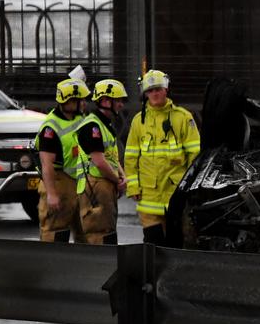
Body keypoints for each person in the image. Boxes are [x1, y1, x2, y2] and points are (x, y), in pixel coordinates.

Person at [124, 69, 201, 244]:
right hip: (148, 196)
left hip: (175, 195)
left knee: (175, 243)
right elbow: (130, 157)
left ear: (166, 89)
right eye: (150, 90)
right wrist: (133, 187)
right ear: (145, 93)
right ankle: (153, 272)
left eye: (158, 89)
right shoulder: (139, 121)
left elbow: (195, 155)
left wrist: (189, 189)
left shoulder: (183, 118)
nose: (154, 94)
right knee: (153, 243)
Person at [34, 77, 89, 243]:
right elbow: (47, 164)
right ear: (70, 101)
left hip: (77, 182)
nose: (85, 103)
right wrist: (51, 194)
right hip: (58, 181)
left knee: (84, 231)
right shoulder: (50, 128)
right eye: (81, 100)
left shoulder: (78, 117)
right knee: (55, 233)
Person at [76, 78, 128, 244]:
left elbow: (111, 157)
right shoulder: (92, 127)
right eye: (118, 100)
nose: (121, 105)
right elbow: (99, 162)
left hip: (104, 184)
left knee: (108, 233)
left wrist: (122, 176)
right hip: (94, 185)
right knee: (99, 235)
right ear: (105, 101)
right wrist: (118, 180)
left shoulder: (104, 125)